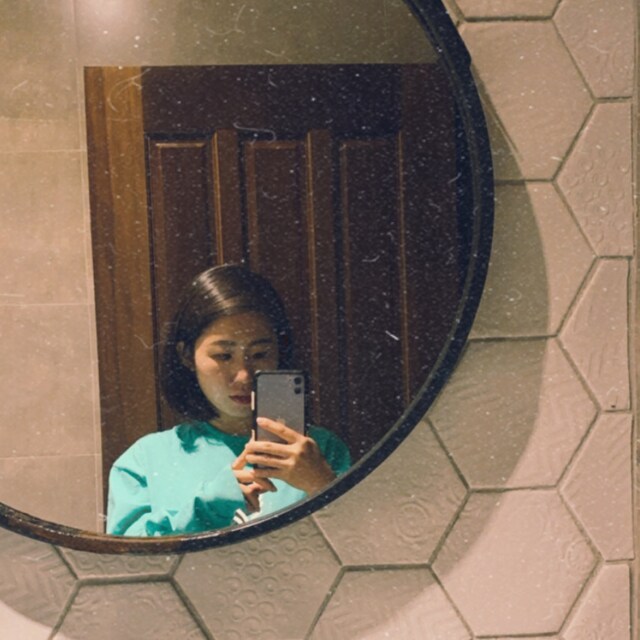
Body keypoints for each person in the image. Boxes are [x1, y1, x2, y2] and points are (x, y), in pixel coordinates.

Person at [106, 264, 351, 536]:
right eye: (223, 356)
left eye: (259, 354)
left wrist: (322, 484)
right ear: (187, 356)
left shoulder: (319, 451)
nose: (244, 375)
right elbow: (126, 558)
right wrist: (207, 508)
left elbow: (360, 547)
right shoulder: (144, 461)